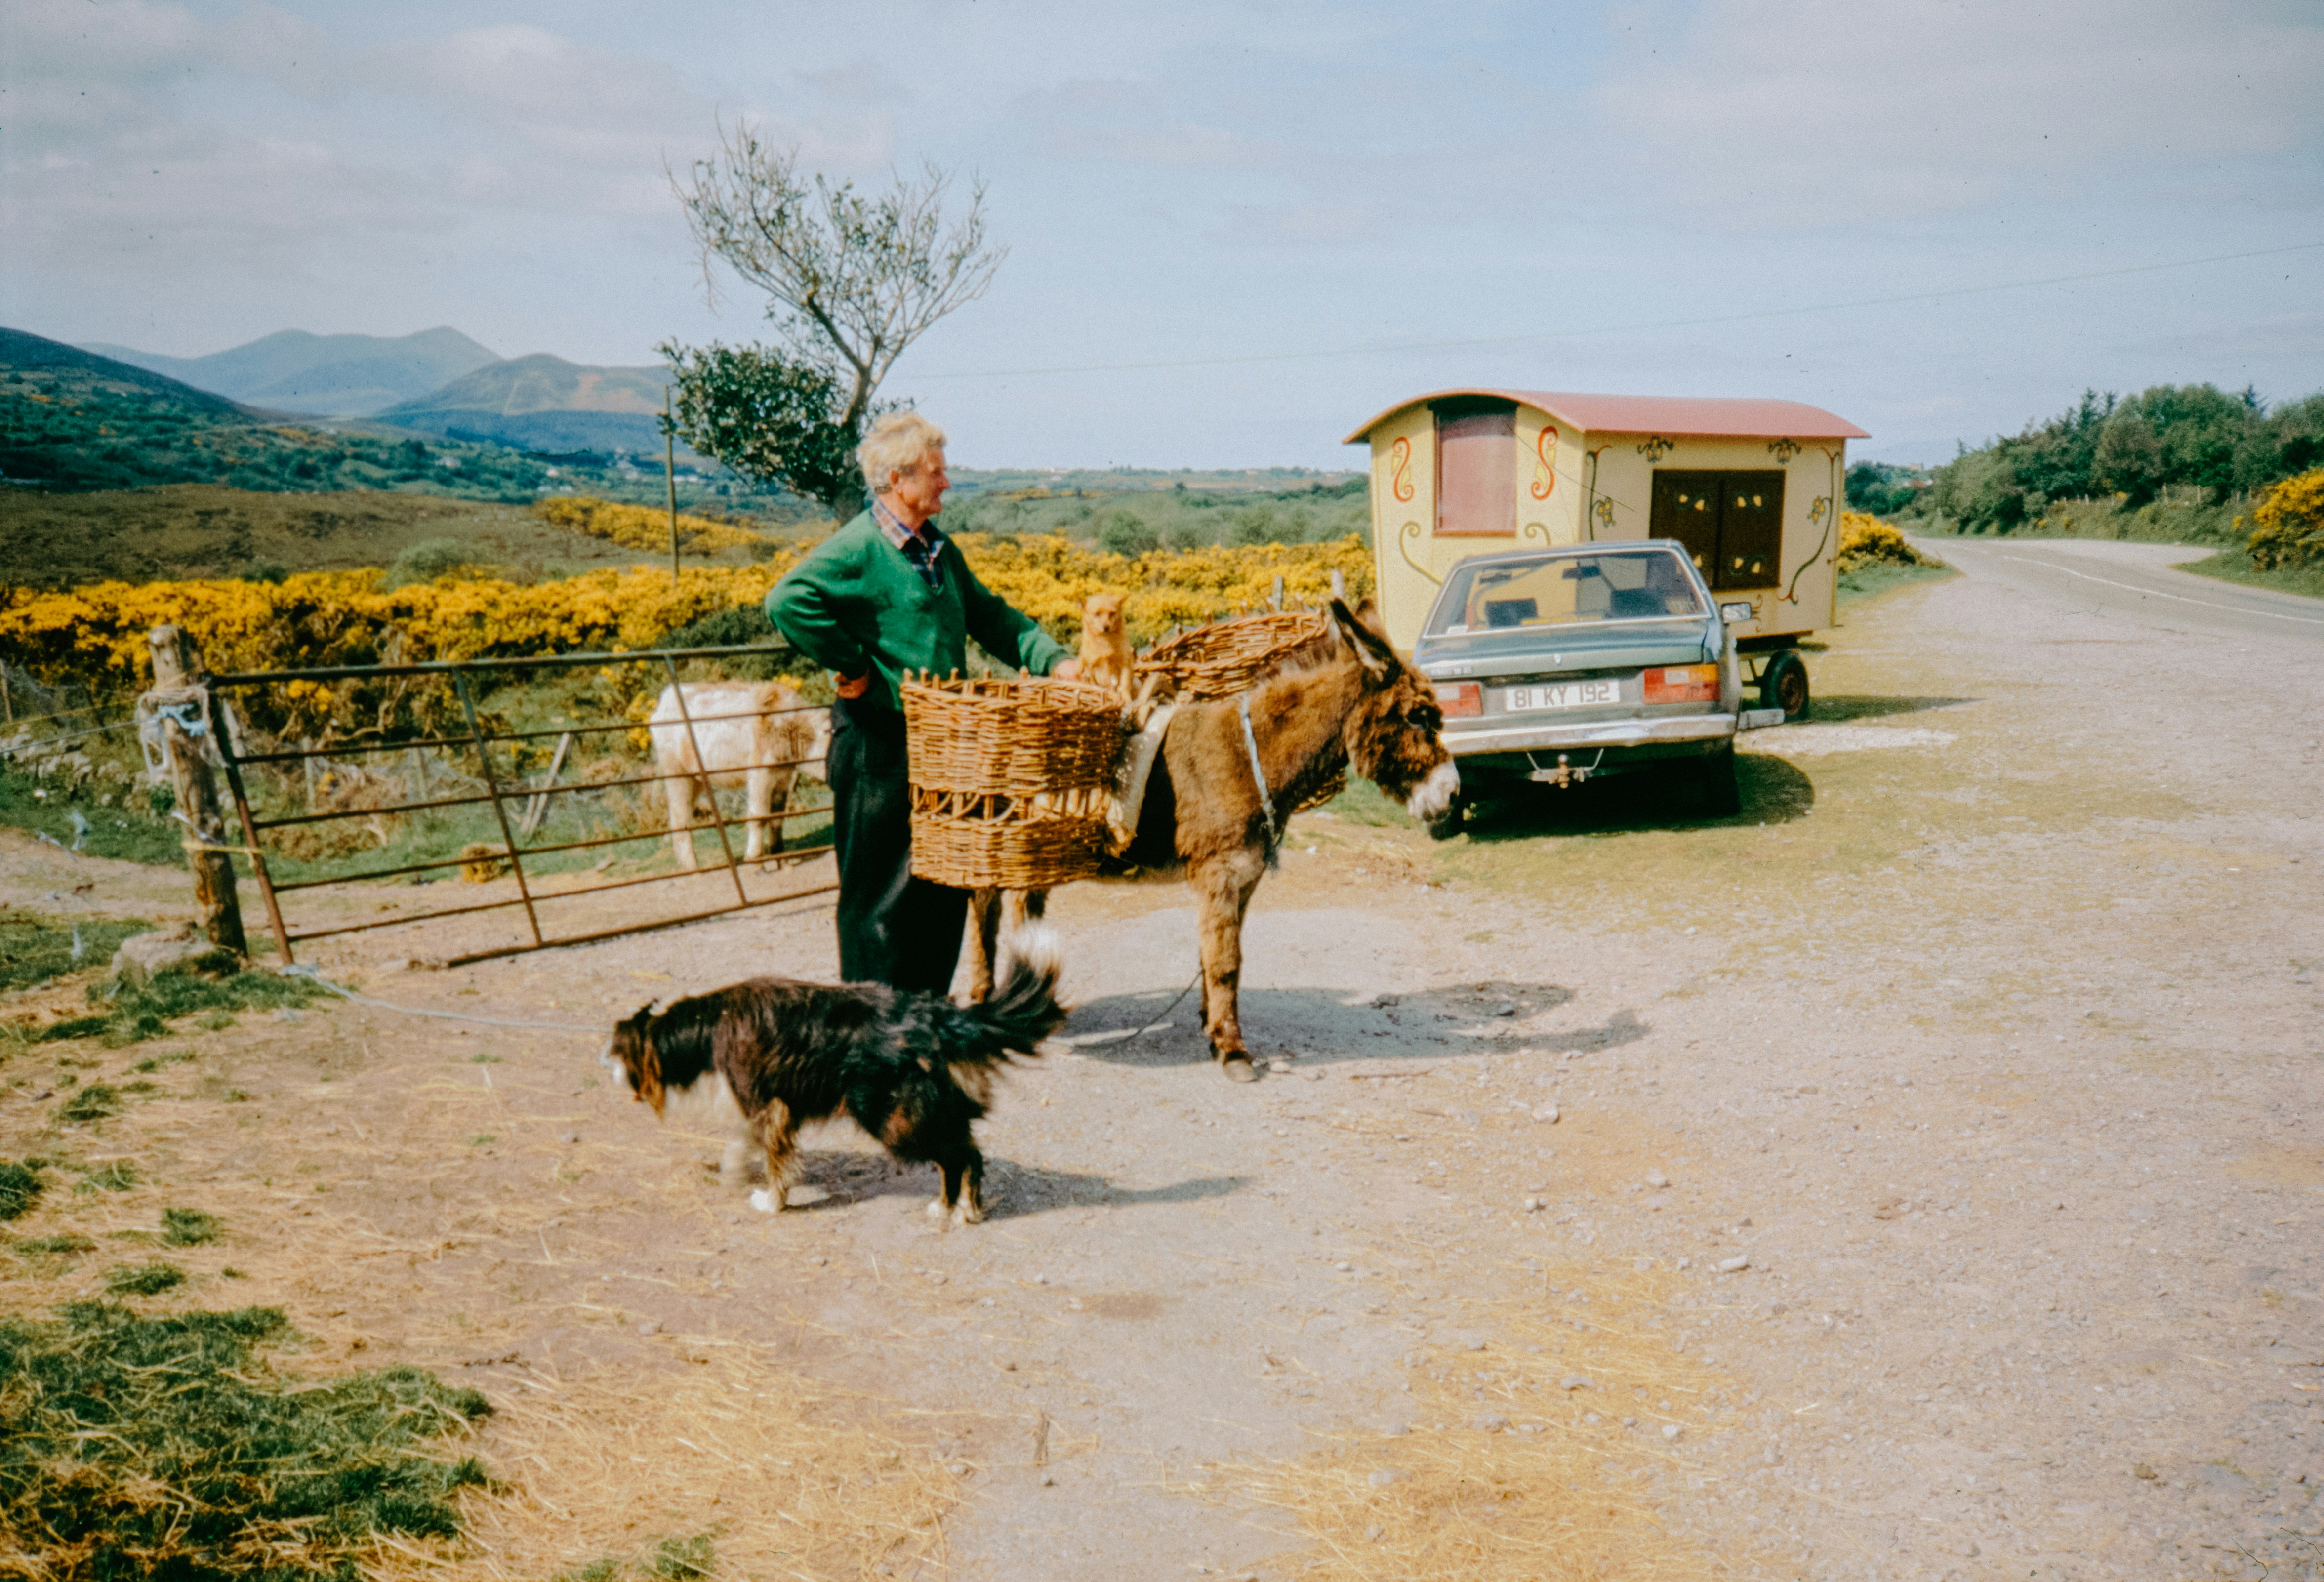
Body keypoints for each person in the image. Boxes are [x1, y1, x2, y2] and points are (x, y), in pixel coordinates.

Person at [765, 412, 1081, 993]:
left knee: (942, 888)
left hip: (941, 748)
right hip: (878, 745)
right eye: (936, 473)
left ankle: (927, 1025)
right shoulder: (859, 546)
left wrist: (1057, 660)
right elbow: (787, 600)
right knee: (879, 902)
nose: (947, 483)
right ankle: (876, 1036)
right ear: (896, 479)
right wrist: (854, 665)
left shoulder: (936, 550)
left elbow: (992, 617)